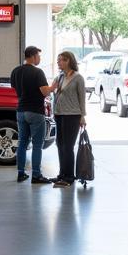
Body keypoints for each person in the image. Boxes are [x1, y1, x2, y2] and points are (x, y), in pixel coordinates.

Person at [45, 51, 87, 188]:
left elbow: (82, 99)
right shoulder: (60, 77)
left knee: (68, 147)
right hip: (59, 114)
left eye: (61, 60)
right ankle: (62, 174)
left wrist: (82, 116)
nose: (58, 62)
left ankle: (69, 177)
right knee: (60, 145)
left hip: (72, 115)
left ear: (68, 61)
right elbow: (53, 93)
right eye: (58, 60)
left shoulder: (78, 78)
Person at [9, 45, 50, 183]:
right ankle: (36, 175)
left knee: (22, 143)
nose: (39, 58)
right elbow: (45, 92)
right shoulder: (38, 72)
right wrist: (54, 86)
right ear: (33, 56)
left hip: (20, 111)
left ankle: (21, 173)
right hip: (35, 112)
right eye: (38, 56)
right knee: (37, 145)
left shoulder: (15, 71)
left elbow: (14, 89)